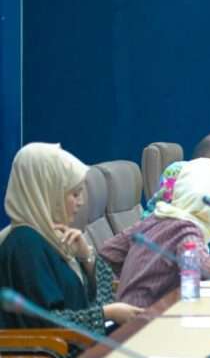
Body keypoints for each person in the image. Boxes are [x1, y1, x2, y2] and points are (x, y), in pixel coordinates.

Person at [0, 143, 143, 338]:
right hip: (67, 354)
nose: (81, 202)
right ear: (48, 194)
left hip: (88, 346)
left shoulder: (55, 239)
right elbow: (48, 325)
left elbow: (105, 294)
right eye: (74, 194)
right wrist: (106, 314)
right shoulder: (25, 246)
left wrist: (87, 258)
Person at [100, 158, 210, 308]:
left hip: (131, 312)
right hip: (146, 316)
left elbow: (108, 251)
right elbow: (201, 265)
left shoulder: (156, 218)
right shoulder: (187, 228)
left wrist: (131, 280)